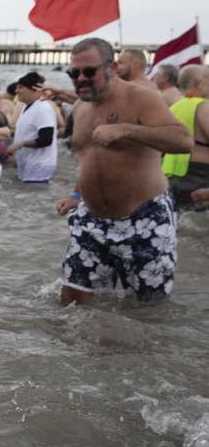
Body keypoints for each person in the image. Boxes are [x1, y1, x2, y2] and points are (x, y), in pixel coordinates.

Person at [53, 37, 191, 305]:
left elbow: (182, 140)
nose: (80, 78)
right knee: (72, 302)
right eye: (74, 72)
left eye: (89, 71)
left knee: (146, 308)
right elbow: (89, 159)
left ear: (111, 68)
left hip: (143, 218)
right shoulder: (81, 107)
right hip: (91, 220)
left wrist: (126, 130)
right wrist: (76, 195)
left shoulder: (141, 97)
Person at [162, 65, 209, 210]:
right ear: (200, 84)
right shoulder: (203, 107)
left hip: (172, 177)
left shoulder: (173, 108)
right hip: (200, 178)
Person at [3, 73, 59, 184]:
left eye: (21, 88)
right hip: (28, 164)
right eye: (17, 88)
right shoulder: (26, 107)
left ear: (34, 90)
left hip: (39, 166)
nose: (17, 91)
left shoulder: (43, 108)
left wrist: (20, 145)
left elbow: (46, 139)